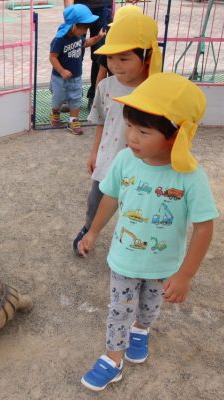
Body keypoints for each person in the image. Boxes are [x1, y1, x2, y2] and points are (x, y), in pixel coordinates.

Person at [77, 72, 218, 391]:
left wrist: (185, 275)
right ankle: (113, 359)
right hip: (124, 258)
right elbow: (111, 196)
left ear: (176, 135)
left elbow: (204, 227)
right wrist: (93, 231)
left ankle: (141, 330)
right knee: (118, 310)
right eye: (129, 126)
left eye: (143, 130)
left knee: (150, 306)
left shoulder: (190, 177)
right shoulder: (125, 160)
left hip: (164, 265)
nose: (132, 137)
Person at [72, 12, 162, 256]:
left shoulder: (156, 92)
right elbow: (102, 122)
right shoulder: (105, 88)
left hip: (142, 168)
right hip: (108, 161)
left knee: (134, 208)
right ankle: (90, 229)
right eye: (110, 57)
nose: (115, 64)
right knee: (96, 202)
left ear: (147, 56)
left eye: (124, 58)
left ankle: (132, 242)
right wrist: (94, 154)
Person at [64, 0, 140, 110]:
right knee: (73, 53)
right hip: (79, 8)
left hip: (103, 8)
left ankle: (95, 97)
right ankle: (72, 97)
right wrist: (69, 13)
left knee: (100, 55)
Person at [49, 4, 106, 134]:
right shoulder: (59, 39)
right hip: (59, 77)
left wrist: (98, 38)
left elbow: (85, 43)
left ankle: (73, 121)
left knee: (76, 99)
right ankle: (55, 114)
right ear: (73, 25)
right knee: (57, 99)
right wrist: (62, 71)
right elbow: (52, 57)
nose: (85, 31)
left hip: (76, 76)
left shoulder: (79, 36)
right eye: (84, 28)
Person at [93, 4, 143, 93]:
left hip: (137, 93)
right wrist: (98, 96)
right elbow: (102, 73)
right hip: (114, 93)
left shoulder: (144, 49)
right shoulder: (110, 47)